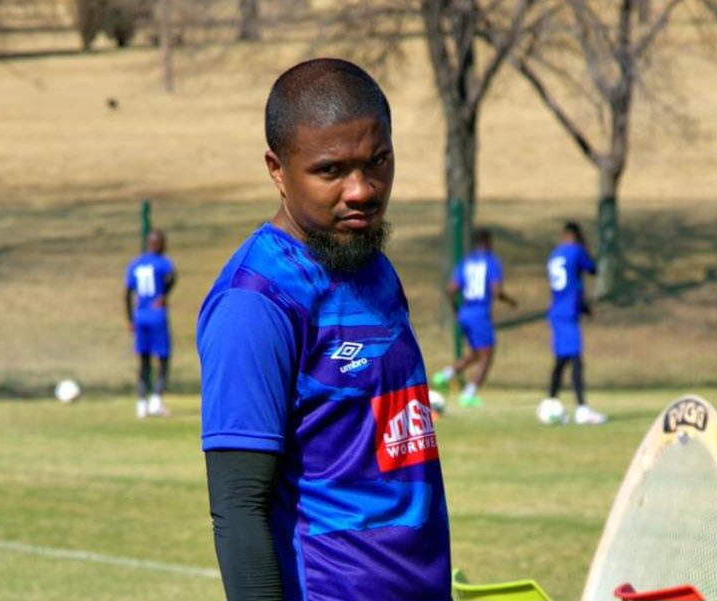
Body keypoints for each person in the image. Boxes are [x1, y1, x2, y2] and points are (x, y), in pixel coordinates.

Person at [198, 59, 450, 601]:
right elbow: (238, 507)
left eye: (377, 161)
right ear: (277, 168)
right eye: (331, 170)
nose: (361, 190)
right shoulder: (256, 303)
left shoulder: (374, 269)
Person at [432, 229, 517, 407]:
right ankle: (469, 394)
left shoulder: (466, 262)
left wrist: (456, 310)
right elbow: (496, 291)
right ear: (487, 242)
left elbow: (451, 289)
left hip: (465, 313)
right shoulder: (491, 262)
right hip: (479, 313)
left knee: (477, 353)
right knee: (488, 355)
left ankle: (444, 375)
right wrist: (509, 301)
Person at [546, 221, 605, 425]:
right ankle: (582, 409)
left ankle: (551, 402)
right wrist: (586, 248)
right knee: (576, 360)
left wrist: (585, 309)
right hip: (568, 314)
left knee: (562, 360)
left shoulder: (555, 254)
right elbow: (593, 269)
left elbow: (568, 287)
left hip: (557, 312)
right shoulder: (576, 251)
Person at [124, 230, 176, 419]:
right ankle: (155, 401)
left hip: (140, 317)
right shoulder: (163, 263)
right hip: (157, 316)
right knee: (163, 360)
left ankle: (141, 404)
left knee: (143, 361)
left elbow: (127, 294)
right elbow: (173, 277)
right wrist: (164, 295)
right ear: (158, 244)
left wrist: (130, 318)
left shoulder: (135, 264)